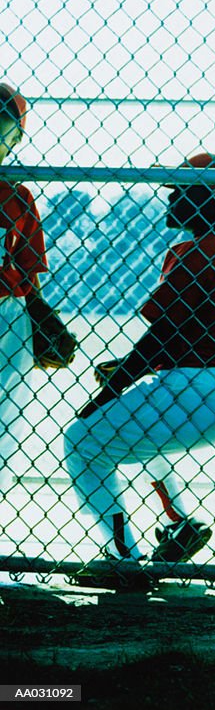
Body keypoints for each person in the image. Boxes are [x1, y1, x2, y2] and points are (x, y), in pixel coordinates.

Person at [65, 153, 215, 576]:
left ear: (205, 197)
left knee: (83, 440)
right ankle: (180, 523)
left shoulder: (194, 249)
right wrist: (128, 374)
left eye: (180, 189)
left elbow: (161, 336)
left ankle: (124, 557)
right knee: (137, 429)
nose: (169, 195)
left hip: (203, 389)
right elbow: (192, 332)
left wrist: (109, 390)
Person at [0, 83, 54, 488]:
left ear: (16, 136)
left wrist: (45, 320)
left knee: (6, 419)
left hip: (7, 314)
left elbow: (28, 271)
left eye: (2, 121)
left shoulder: (17, 195)